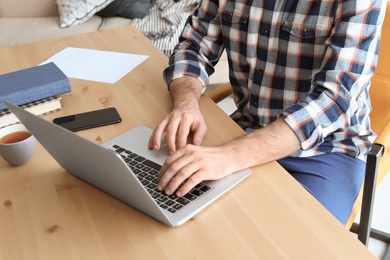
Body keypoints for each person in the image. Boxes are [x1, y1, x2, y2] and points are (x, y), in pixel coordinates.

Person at [148, 0, 386, 224]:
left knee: (292, 246)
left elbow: (336, 99)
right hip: (246, 128)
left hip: (325, 151)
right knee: (181, 217)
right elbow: (193, 48)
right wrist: (186, 103)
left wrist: (228, 156)